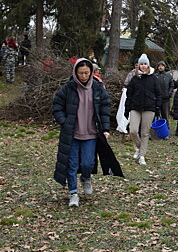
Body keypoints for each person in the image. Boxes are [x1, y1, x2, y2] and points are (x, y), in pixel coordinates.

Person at [52, 58, 123, 207]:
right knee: (71, 165)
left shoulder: (98, 88)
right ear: (75, 73)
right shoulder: (68, 88)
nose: (83, 76)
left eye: (86, 73)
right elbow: (56, 106)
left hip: (91, 134)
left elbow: (105, 108)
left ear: (91, 72)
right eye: (80, 73)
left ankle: (86, 178)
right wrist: (64, 122)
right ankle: (73, 193)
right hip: (72, 134)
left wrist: (105, 128)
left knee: (87, 163)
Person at [124, 54, 162, 165]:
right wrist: (127, 108)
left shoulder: (153, 79)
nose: (143, 66)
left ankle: (142, 156)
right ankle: (139, 147)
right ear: (138, 66)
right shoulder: (135, 79)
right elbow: (129, 94)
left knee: (145, 133)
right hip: (135, 107)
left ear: (148, 65)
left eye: (145, 64)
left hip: (149, 108)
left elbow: (158, 93)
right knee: (133, 130)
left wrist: (157, 106)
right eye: (142, 64)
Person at [155, 61, 175, 129]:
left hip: (165, 99)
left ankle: (166, 129)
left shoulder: (168, 76)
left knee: (165, 115)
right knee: (155, 116)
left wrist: (169, 94)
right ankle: (155, 130)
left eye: (162, 66)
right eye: (159, 66)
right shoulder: (155, 76)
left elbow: (172, 86)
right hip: (156, 99)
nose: (161, 67)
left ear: (164, 67)